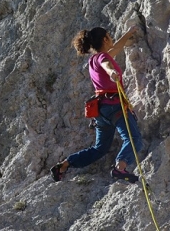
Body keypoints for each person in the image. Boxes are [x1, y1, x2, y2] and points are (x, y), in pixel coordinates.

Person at [51, 26, 142, 183]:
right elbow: (107, 64)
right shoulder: (102, 58)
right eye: (110, 36)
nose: (112, 39)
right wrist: (112, 73)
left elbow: (115, 48)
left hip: (100, 111)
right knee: (133, 139)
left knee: (99, 149)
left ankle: (65, 164)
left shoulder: (93, 60)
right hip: (114, 106)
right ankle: (120, 168)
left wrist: (128, 33)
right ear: (105, 39)